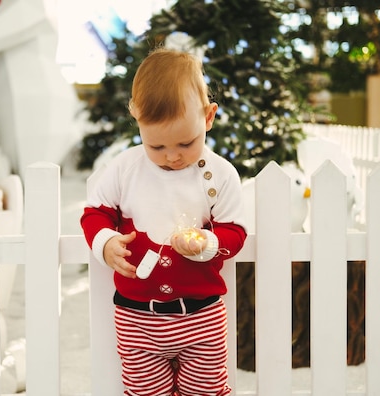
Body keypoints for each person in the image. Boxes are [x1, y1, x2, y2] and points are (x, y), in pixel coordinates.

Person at [80, 47, 247, 396]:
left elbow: (235, 229)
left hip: (201, 317)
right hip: (137, 318)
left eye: (187, 143)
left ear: (209, 117)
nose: (172, 156)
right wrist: (106, 242)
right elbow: (94, 213)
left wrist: (209, 242)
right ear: (137, 118)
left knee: (207, 391)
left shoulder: (219, 175)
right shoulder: (126, 169)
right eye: (156, 146)